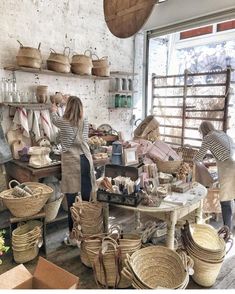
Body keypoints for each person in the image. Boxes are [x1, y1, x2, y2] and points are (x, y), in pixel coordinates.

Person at [51, 96, 96, 246]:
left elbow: (53, 118)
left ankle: (73, 237)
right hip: (86, 160)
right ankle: (87, 234)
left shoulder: (63, 122)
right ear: (81, 108)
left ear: (68, 108)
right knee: (85, 201)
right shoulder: (86, 120)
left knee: (72, 203)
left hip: (72, 162)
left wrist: (54, 108)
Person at [194, 121, 235, 230]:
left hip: (228, 169)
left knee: (225, 201)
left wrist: (192, 161)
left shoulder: (208, 137)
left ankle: (226, 231)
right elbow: (225, 153)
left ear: (203, 130)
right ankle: (230, 229)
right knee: (233, 197)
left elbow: (198, 158)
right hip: (232, 163)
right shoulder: (221, 134)